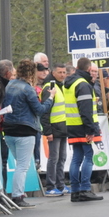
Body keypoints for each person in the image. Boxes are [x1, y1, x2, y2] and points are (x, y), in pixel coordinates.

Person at [1, 59, 55, 208]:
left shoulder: (10, 84)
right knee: (23, 166)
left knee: (20, 164)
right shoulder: (28, 89)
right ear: (32, 73)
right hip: (25, 129)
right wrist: (50, 98)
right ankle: (18, 196)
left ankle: (16, 194)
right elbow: (39, 110)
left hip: (9, 128)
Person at [64, 58, 104, 202]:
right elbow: (86, 110)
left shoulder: (69, 83)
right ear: (88, 70)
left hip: (72, 125)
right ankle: (85, 189)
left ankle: (75, 191)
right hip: (83, 126)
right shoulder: (83, 85)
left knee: (76, 158)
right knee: (89, 156)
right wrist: (90, 130)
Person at [40, 63, 70, 196]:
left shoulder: (60, 86)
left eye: (64, 72)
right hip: (54, 127)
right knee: (54, 158)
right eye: (60, 72)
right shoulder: (50, 87)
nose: (62, 75)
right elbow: (45, 111)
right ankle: (51, 186)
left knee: (62, 158)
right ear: (53, 73)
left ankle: (60, 184)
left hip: (62, 127)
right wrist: (48, 131)